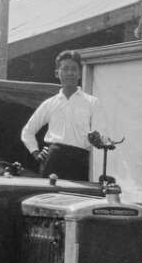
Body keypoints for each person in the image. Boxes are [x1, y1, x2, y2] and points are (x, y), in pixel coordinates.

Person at [21, 49, 106, 182]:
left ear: (79, 73)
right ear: (57, 73)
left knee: (77, 200)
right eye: (65, 69)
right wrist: (36, 152)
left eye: (74, 69)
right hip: (53, 160)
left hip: (80, 161)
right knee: (48, 199)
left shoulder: (92, 102)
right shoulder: (50, 103)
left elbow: (102, 135)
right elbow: (27, 132)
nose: (69, 73)